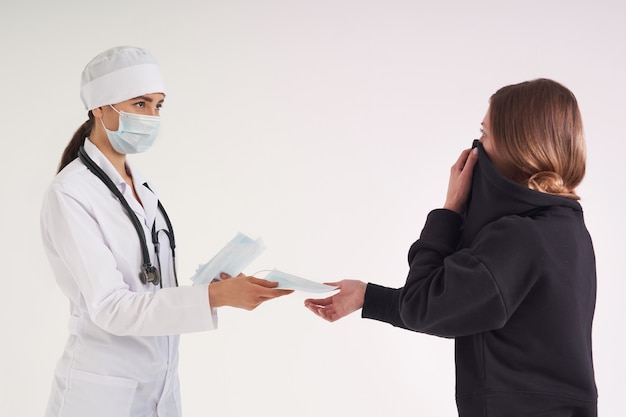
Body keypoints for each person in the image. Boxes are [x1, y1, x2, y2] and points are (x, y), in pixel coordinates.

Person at [305, 78, 598, 416]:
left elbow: (424, 305)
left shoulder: (520, 238)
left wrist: (450, 209)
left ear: (517, 144)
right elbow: (459, 302)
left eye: (485, 133)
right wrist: (367, 296)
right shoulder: (566, 229)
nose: (476, 145)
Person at [41, 45, 292, 417]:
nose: (152, 116)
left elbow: (151, 288)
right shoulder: (71, 193)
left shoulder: (141, 188)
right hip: (101, 397)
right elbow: (111, 308)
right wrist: (215, 296)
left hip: (159, 389)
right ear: (99, 107)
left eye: (158, 105)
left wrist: (214, 286)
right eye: (140, 104)